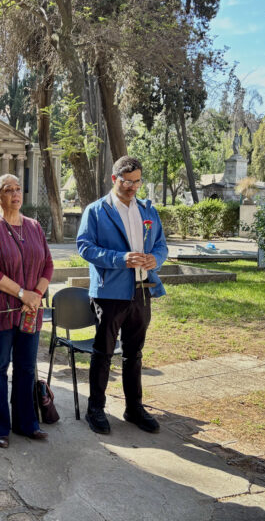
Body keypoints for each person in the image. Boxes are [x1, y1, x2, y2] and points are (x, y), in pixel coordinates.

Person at [77, 155, 168, 435]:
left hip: (142, 292)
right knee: (103, 352)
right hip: (110, 293)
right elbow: (84, 247)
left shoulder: (148, 211)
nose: (132, 187)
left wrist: (155, 259)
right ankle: (96, 409)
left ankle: (134, 408)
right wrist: (120, 259)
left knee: (134, 354)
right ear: (114, 179)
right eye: (127, 182)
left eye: (137, 182)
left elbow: (162, 245)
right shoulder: (96, 211)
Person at [0, 174, 53, 448]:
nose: (16, 194)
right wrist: (22, 293)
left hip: (30, 310)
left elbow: (48, 266)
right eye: (9, 190)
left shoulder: (34, 226)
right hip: (0, 309)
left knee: (26, 367)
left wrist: (36, 295)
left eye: (19, 189)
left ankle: (26, 423)